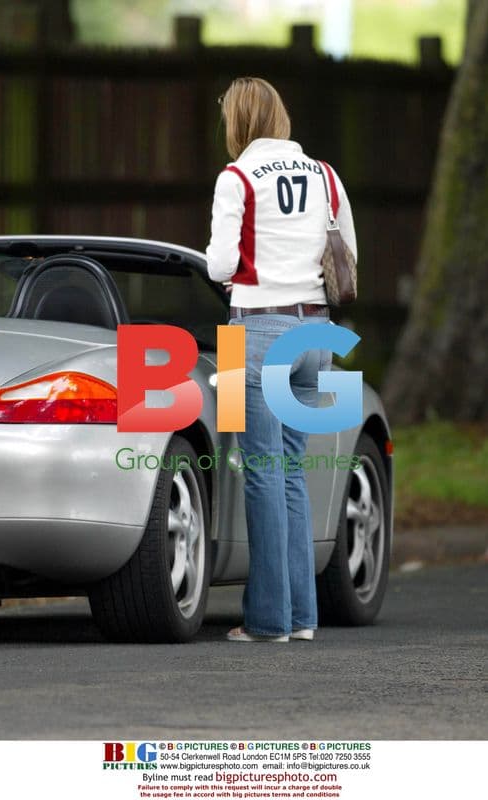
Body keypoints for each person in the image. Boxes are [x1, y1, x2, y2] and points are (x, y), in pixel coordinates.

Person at [206, 77, 357, 642]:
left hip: (254, 331)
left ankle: (268, 620)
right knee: (291, 472)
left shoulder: (237, 177)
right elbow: (348, 256)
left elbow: (221, 266)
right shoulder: (325, 175)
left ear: (237, 121)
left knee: (261, 474)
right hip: (316, 331)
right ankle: (302, 618)